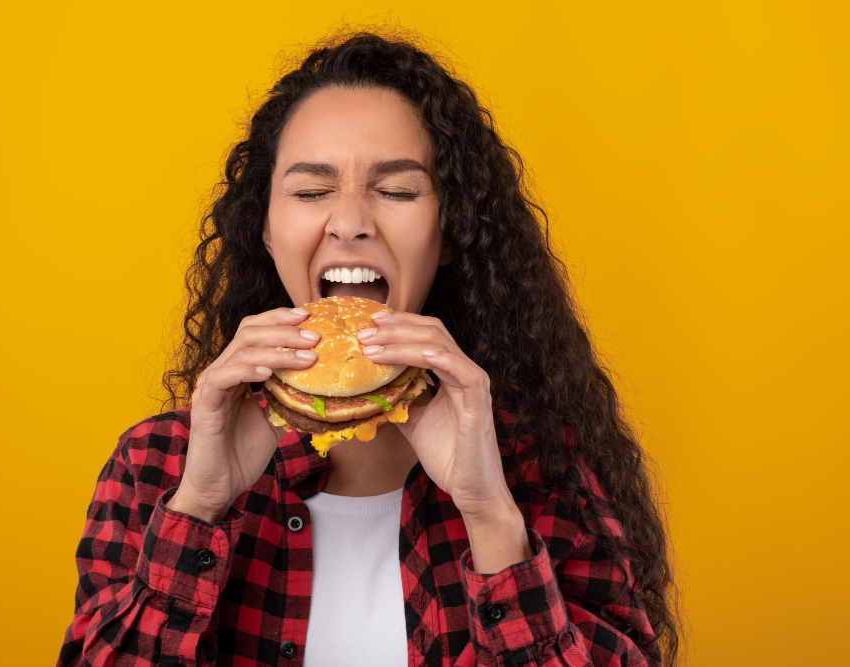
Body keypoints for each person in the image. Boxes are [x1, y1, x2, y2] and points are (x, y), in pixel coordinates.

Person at [55, 29, 680, 667]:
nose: (350, 221)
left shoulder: (541, 472)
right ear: (267, 231)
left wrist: (492, 519)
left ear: (450, 229)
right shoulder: (158, 465)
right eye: (309, 191)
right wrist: (201, 505)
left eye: (398, 191)